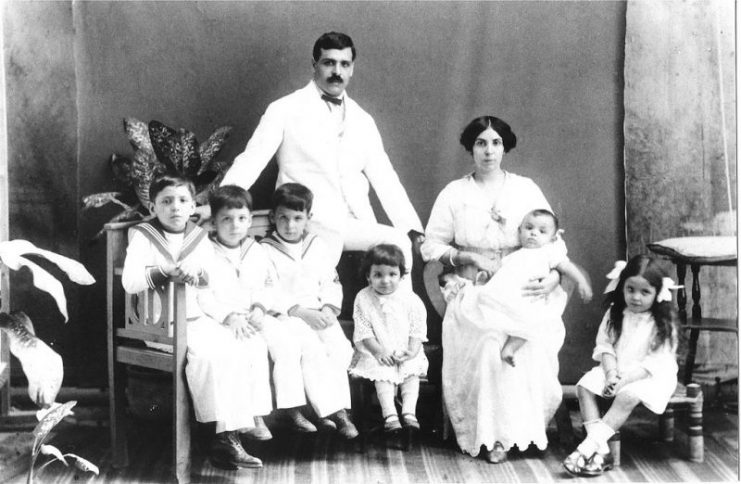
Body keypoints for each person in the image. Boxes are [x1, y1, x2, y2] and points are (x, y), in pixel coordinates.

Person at [420, 115, 568, 463]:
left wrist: (555, 278)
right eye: (481, 143)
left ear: (506, 147)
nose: (489, 151)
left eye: (496, 143)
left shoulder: (525, 188)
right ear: (470, 148)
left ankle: (523, 433)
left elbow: (555, 242)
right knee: (489, 346)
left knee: (524, 345)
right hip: (474, 290)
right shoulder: (454, 193)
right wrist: (464, 254)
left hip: (521, 290)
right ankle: (491, 437)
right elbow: (430, 246)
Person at [217, 31, 423, 275]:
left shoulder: (363, 119)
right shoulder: (284, 109)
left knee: (398, 241)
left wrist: (412, 228)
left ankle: (401, 313)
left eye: (344, 64)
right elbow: (252, 160)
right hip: (308, 221)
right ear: (314, 65)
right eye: (329, 63)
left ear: (352, 69)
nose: (337, 71)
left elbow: (385, 177)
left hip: (354, 221)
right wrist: (220, 203)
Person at [121, 175, 263, 469]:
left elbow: (207, 290)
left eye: (183, 200)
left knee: (238, 346)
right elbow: (130, 281)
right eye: (167, 201)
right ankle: (215, 435)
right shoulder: (143, 236)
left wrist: (203, 283)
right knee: (208, 356)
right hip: (159, 325)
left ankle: (228, 436)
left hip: (197, 319)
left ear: (193, 206)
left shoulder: (198, 238)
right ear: (153, 205)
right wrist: (165, 270)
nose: (175, 207)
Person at [197, 184, 322, 435]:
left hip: (256, 313)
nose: (235, 226)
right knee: (253, 349)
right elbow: (203, 295)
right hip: (225, 320)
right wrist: (229, 316)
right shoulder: (205, 252)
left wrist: (260, 306)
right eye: (227, 220)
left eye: (242, 219)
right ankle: (255, 416)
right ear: (212, 223)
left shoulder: (254, 249)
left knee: (287, 344)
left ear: (250, 220)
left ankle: (291, 407)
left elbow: (269, 285)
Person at [563, 256, 678, 477]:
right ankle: (601, 450)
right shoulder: (615, 313)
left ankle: (585, 449)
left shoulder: (663, 323)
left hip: (650, 376)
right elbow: (605, 347)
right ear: (621, 286)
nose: (636, 297)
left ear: (657, 294)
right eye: (630, 289)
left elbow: (654, 363)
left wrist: (621, 381)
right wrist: (611, 374)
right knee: (584, 386)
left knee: (627, 396)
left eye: (645, 292)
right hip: (615, 369)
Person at [260, 182, 359, 439]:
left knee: (340, 349)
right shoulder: (265, 249)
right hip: (288, 315)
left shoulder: (317, 245)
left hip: (319, 311)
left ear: (308, 218)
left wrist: (328, 308)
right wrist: (301, 312)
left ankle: (333, 410)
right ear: (273, 217)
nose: (290, 225)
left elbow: (330, 281)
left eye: (297, 218)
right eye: (283, 218)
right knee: (311, 349)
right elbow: (268, 291)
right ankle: (332, 414)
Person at [474, 209, 593, 367]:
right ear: (520, 230)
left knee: (532, 319)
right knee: (487, 308)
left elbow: (566, 267)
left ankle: (510, 348)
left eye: (542, 231)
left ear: (553, 237)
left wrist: (582, 282)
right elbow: (499, 273)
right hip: (505, 295)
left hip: (529, 296)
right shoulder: (513, 255)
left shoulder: (548, 253)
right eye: (529, 228)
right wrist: (485, 277)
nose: (533, 234)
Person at [349, 244, 428, 434]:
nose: (385, 281)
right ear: (368, 276)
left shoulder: (410, 298)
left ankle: (409, 412)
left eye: (392, 274)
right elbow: (364, 330)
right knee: (382, 371)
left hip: (405, 349)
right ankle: (390, 414)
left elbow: (417, 329)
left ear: (401, 275)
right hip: (375, 349)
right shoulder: (363, 298)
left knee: (411, 371)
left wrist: (412, 351)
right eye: (378, 275)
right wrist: (378, 351)